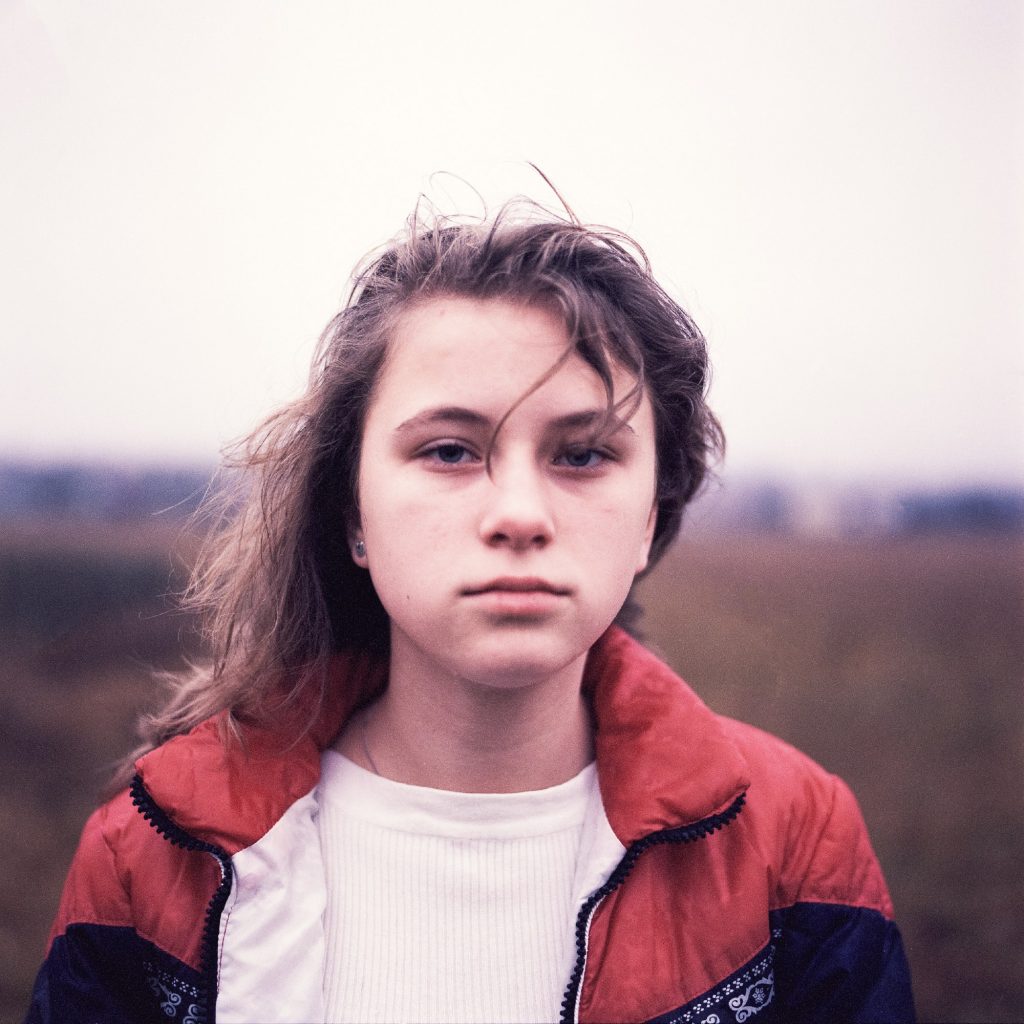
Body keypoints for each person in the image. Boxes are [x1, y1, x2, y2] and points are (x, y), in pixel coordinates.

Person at [26, 190, 915, 1024]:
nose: (519, 515)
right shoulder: (153, 855)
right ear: (353, 513)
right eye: (450, 450)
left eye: (583, 454)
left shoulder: (796, 844)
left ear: (651, 516)